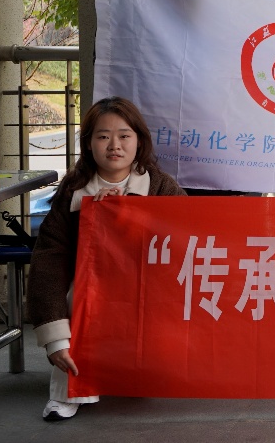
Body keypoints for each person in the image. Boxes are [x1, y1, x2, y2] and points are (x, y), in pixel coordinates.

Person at [26, 97, 186, 421]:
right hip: (91, 292)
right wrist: (55, 339)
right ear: (89, 144)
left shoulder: (161, 186)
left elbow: (186, 238)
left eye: (124, 135)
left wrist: (128, 215)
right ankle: (68, 392)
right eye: (103, 136)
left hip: (147, 289)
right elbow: (49, 260)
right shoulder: (73, 191)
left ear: (139, 140)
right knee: (80, 295)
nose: (114, 145)